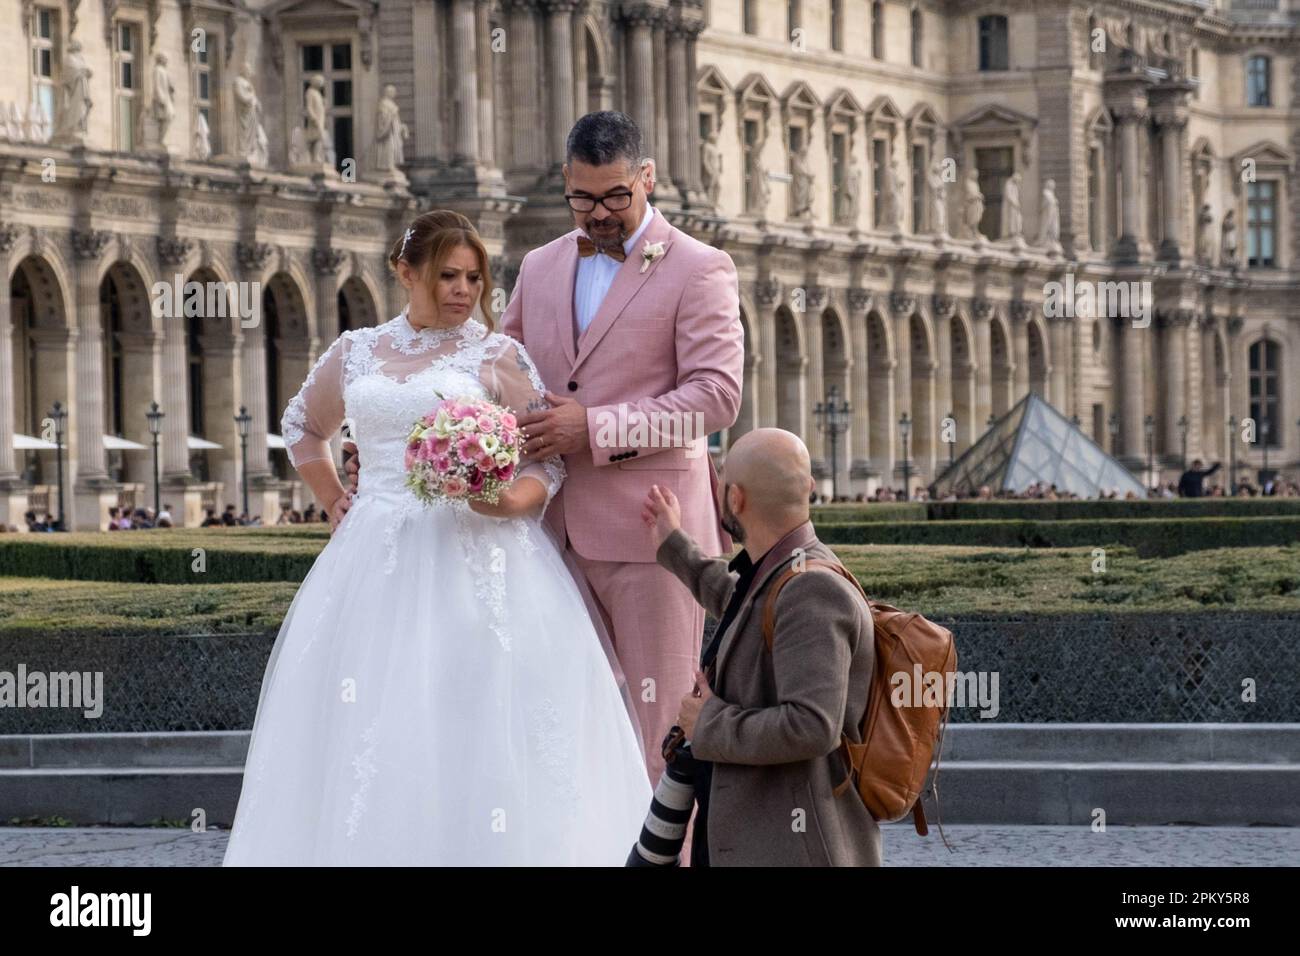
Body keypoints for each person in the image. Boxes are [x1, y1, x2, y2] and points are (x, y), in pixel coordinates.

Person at [223, 211, 650, 866]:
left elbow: (549, 459)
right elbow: (302, 429)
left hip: (478, 553)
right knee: (368, 719)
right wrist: (335, 497)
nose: (462, 289)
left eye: (474, 277)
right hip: (373, 555)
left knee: (475, 714)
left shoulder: (496, 355)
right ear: (405, 272)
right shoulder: (356, 350)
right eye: (448, 275)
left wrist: (511, 500)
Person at [643, 428, 879, 866]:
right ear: (808, 488)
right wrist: (675, 545)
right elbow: (741, 605)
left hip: (786, 848)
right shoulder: (785, 570)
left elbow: (812, 725)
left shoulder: (811, 591)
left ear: (735, 500)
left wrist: (707, 724)